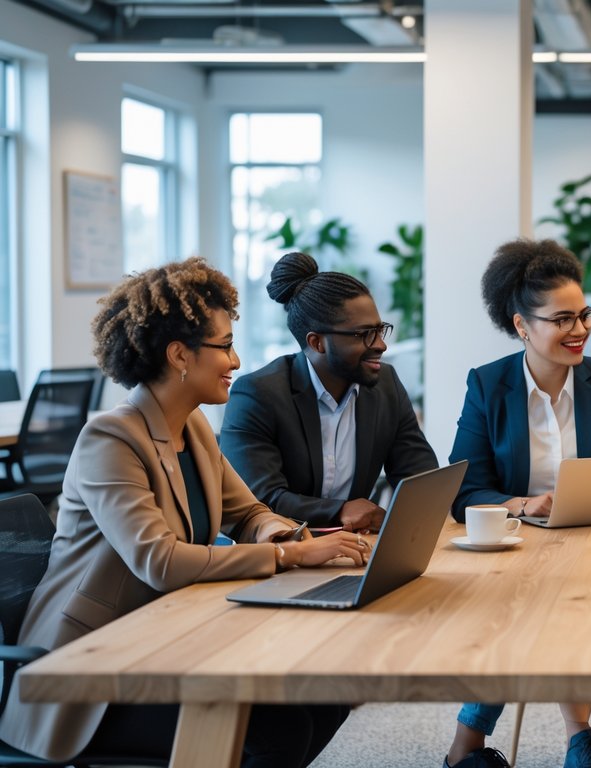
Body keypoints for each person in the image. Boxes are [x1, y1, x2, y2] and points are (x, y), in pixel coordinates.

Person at [0, 258, 366, 765]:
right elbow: (160, 560)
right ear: (180, 355)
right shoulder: (110, 438)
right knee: (277, 728)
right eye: (225, 346)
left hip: (161, 640)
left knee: (320, 701)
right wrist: (288, 560)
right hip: (89, 672)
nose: (236, 361)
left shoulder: (193, 430)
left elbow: (251, 512)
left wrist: (286, 538)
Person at [445, 239, 591, 768]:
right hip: (516, 545)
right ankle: (575, 739)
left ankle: (476, 746)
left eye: (584, 315)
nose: (579, 330)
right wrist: (524, 503)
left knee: (577, 595)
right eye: (562, 319)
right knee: (530, 600)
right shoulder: (489, 386)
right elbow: (464, 492)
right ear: (521, 326)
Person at [220, 251, 437, 531]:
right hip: (283, 554)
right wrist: (340, 511)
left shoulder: (385, 385)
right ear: (317, 343)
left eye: (381, 330)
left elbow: (420, 476)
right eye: (364, 334)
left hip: (357, 551)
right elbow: (259, 501)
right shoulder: (258, 395)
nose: (381, 345)